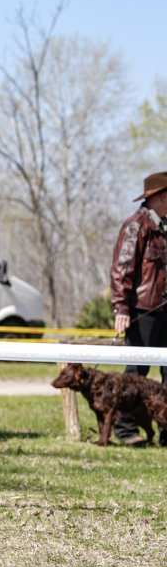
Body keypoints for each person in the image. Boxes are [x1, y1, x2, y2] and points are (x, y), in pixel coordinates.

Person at [110, 171, 167, 446]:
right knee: (136, 371)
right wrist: (121, 308)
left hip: (164, 310)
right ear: (162, 196)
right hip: (143, 310)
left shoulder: (163, 226)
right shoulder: (137, 225)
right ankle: (125, 429)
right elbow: (122, 268)